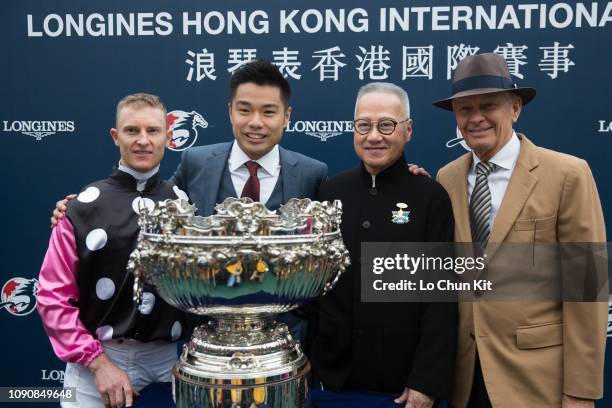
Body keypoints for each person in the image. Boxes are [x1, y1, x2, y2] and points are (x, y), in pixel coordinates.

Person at [52, 60, 328, 342]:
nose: (255, 122)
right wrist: (80, 211)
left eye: (269, 112)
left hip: (287, 339)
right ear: (230, 112)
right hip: (206, 339)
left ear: (286, 116)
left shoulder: (312, 174)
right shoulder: (196, 163)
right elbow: (151, 205)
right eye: (245, 110)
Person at [434, 53, 607, 407]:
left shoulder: (568, 174)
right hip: (464, 381)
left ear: (514, 108)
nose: (476, 117)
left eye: (488, 106)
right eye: (465, 109)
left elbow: (587, 287)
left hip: (537, 381)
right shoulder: (446, 178)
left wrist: (581, 392)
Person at [308, 82, 457, 408]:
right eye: (364, 125)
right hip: (334, 379)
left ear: (408, 130)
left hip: (402, 385)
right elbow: (316, 283)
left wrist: (425, 381)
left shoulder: (430, 198)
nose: (374, 136)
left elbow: (441, 302)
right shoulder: (331, 193)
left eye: (386, 124)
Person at [37, 93, 187, 408]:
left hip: (165, 365)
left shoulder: (184, 206)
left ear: (168, 137)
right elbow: (51, 296)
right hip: (93, 368)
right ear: (115, 137)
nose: (143, 140)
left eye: (153, 131)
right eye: (132, 131)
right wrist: (98, 363)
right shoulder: (80, 208)